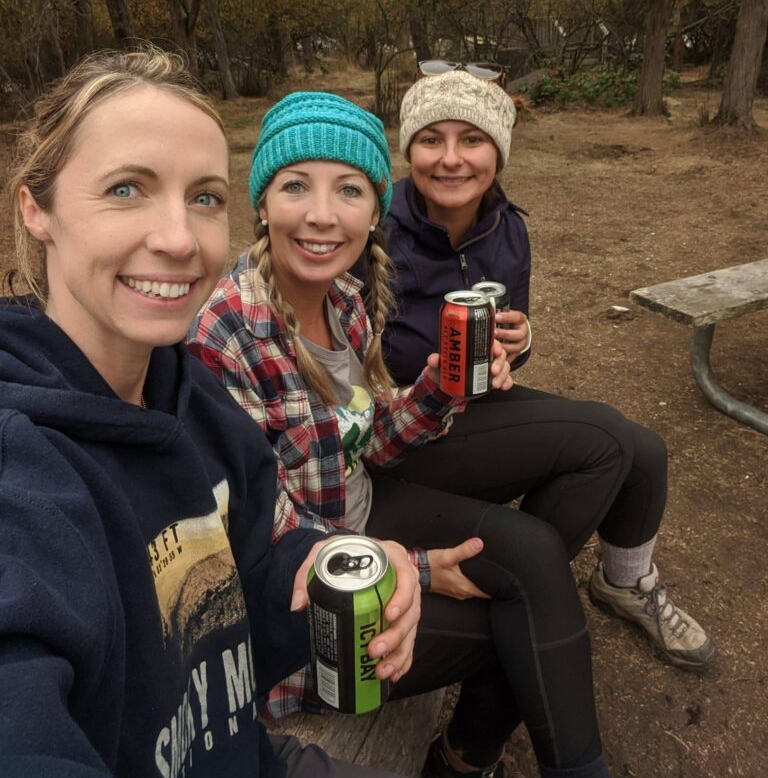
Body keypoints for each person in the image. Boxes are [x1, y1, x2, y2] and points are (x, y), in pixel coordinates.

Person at [0, 48, 422, 778]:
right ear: (36, 208)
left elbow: (251, 574)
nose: (178, 238)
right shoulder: (25, 475)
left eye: (202, 198)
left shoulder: (192, 397)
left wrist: (329, 563)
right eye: (126, 188)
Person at [189, 90, 616, 778]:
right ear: (262, 202)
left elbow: (370, 441)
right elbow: (249, 538)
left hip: (358, 513)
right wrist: (413, 570)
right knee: (517, 631)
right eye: (296, 185)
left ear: (373, 210)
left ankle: (469, 761)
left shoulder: (346, 302)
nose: (323, 214)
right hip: (306, 610)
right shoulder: (223, 334)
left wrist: (444, 384)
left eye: (350, 190)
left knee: (536, 558)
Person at [377, 64, 714, 674]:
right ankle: (512, 592)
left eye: (471, 140)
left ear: (498, 153)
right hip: (402, 436)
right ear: (408, 150)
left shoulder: (508, 232)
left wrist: (520, 341)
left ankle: (623, 583)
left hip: (474, 410)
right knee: (605, 440)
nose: (450, 159)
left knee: (646, 450)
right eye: (431, 139)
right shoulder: (373, 230)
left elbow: (511, 335)